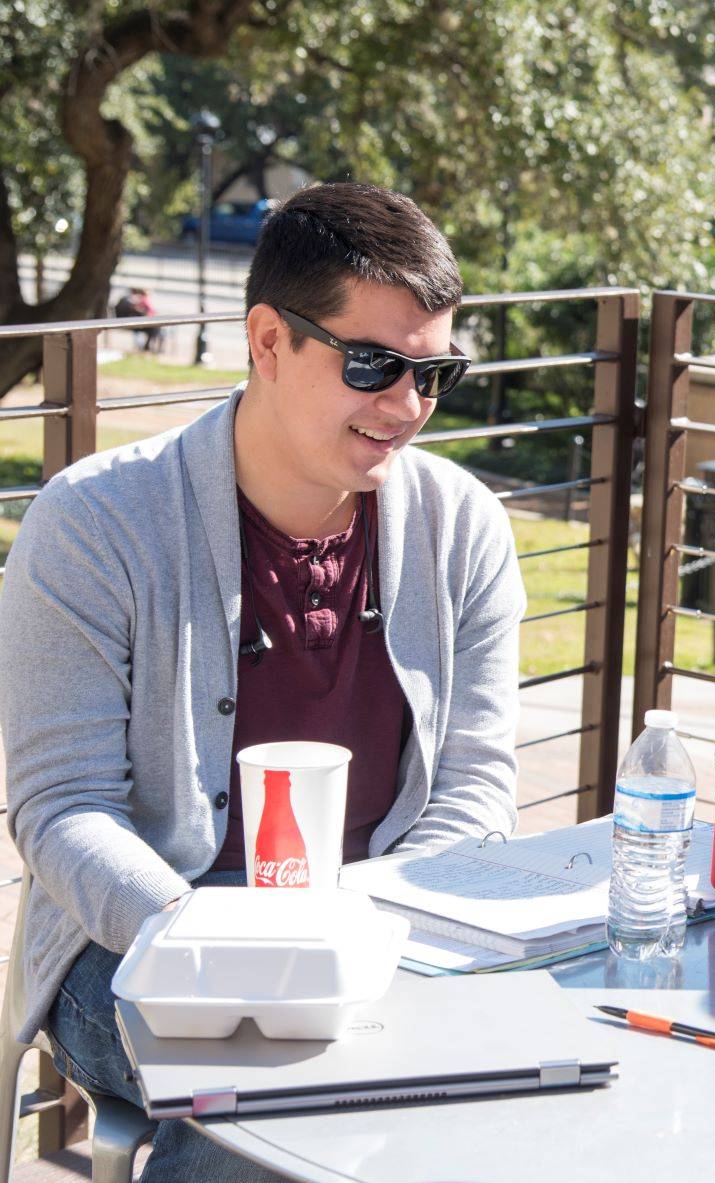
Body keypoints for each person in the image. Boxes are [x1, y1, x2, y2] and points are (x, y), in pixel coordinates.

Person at [0, 182, 523, 1181]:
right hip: (142, 946)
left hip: (381, 940)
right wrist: (212, 937)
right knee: (286, 1111)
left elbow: (476, 787)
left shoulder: (465, 528)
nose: (407, 407)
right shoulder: (95, 525)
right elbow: (62, 810)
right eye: (372, 365)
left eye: (434, 373)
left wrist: (360, 940)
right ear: (268, 342)